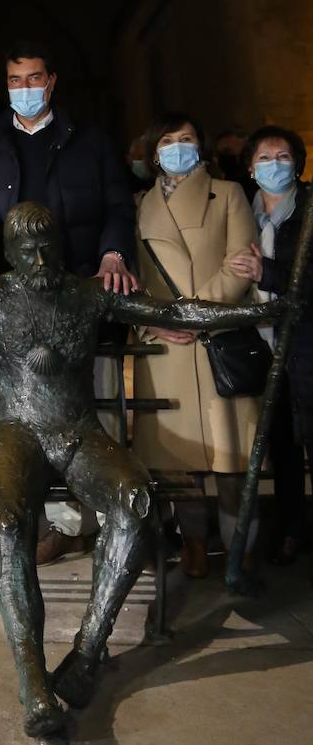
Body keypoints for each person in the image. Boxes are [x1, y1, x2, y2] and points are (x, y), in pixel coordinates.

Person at [0, 202, 280, 738]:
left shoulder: (88, 294)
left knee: (136, 500)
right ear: (9, 253)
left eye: (48, 248)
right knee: (11, 525)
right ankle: (33, 679)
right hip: (17, 432)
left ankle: (88, 649)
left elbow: (176, 313)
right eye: (27, 250)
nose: (39, 259)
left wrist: (256, 313)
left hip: (78, 431)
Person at [0, 42, 138, 563]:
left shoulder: (89, 142)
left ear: (52, 81)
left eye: (33, 78)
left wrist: (112, 254)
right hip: (25, 302)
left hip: (82, 292)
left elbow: (117, 204)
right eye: (15, 80)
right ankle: (59, 524)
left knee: (90, 411)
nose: (24, 88)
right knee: (31, 416)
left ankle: (102, 512)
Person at [131, 112, 260, 577]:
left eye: (186, 139)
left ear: (201, 146)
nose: (177, 147)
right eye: (168, 140)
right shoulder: (139, 203)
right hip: (166, 347)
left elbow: (241, 264)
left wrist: (198, 312)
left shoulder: (227, 194)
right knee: (177, 464)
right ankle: (195, 545)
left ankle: (241, 546)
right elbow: (133, 281)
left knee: (231, 462)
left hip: (216, 338)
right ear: (153, 151)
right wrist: (153, 324)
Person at [228, 126, 312, 565]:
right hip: (263, 347)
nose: (274, 164)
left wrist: (270, 274)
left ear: (297, 163)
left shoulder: (310, 210)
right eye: (264, 157)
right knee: (279, 447)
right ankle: (290, 529)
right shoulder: (243, 210)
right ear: (250, 166)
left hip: (306, 346)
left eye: (283, 156)